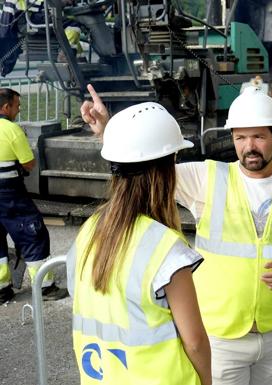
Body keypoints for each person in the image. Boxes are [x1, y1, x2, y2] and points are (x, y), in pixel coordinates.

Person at [81, 85, 272, 385]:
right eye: (240, 137)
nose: (249, 147)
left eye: (259, 136)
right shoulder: (207, 178)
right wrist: (108, 131)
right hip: (220, 336)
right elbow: (145, 164)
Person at [71, 93, 212, 384]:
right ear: (167, 169)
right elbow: (195, 341)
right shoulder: (165, 249)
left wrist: (109, 133)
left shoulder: (90, 231)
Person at [0, 88, 67, 303]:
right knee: (32, 233)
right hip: (9, 194)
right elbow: (29, 163)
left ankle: (2, 288)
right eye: (17, 106)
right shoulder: (11, 130)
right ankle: (45, 286)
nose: (18, 111)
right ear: (6, 107)